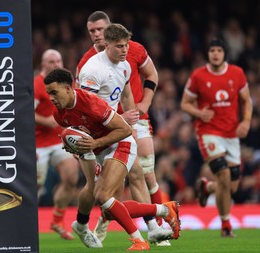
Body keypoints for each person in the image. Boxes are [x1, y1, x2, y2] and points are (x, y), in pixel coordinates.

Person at [44, 67, 180, 251]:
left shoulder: (91, 103)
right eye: (48, 93)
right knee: (107, 206)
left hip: (121, 144)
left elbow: (124, 129)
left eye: (54, 92)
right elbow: (80, 133)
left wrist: (95, 142)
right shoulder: (58, 114)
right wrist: (74, 147)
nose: (51, 98)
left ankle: (139, 241)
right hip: (100, 150)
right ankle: (164, 210)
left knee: (103, 195)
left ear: (68, 89)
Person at [76, 13, 171, 246]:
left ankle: (153, 228)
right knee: (100, 193)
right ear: (107, 44)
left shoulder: (126, 63)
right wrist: (120, 118)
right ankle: (81, 224)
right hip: (95, 134)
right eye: (92, 31)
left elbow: (127, 93)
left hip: (117, 130)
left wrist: (132, 122)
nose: (125, 50)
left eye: (126, 45)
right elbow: (88, 110)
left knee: (139, 173)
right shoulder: (89, 69)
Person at [181, 38, 253, 237]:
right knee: (223, 174)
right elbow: (185, 103)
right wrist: (198, 113)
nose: (215, 53)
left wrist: (246, 122)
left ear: (224, 53)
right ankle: (226, 226)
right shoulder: (198, 76)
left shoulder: (237, 73)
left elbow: (247, 101)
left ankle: (207, 188)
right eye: (212, 50)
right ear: (207, 53)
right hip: (209, 132)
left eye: (219, 50)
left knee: (232, 186)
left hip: (231, 134)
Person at [34, 49, 79, 240]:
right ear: (43, 64)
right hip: (37, 143)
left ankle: (57, 220)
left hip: (60, 140)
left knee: (71, 177)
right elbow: (24, 111)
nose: (56, 64)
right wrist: (47, 121)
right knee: (36, 186)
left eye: (58, 60)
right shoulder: (37, 85)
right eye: (51, 61)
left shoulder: (67, 84)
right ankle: (25, 224)